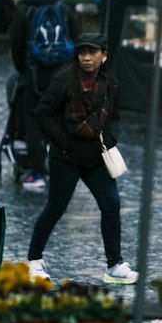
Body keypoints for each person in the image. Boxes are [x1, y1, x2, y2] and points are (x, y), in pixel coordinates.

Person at [26, 32, 137, 284]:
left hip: (95, 156)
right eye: (82, 52)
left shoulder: (111, 83)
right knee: (55, 208)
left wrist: (111, 138)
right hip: (66, 156)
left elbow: (116, 115)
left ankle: (114, 265)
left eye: (92, 52)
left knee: (111, 204)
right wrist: (64, 143)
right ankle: (33, 261)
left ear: (104, 56)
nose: (86, 58)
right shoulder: (64, 79)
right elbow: (43, 113)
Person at [9, 0, 80, 191]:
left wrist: (24, 71)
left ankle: (37, 172)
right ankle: (59, 168)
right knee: (59, 123)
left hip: (33, 79)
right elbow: (77, 42)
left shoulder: (24, 10)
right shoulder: (65, 10)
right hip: (62, 79)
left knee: (34, 125)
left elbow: (16, 46)